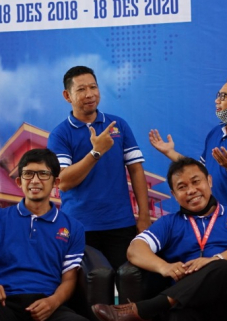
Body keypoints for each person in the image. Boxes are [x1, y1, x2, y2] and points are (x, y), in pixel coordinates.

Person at [92, 157, 227, 321]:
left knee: (222, 268)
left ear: (209, 181)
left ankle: (147, 308)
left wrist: (213, 261)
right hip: (188, 305)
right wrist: (164, 267)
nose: (191, 190)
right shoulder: (169, 223)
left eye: (196, 182)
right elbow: (134, 250)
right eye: (182, 187)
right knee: (177, 316)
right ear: (173, 194)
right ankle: (160, 306)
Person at [0, 149, 86, 321]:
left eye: (43, 174)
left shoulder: (73, 227)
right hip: (3, 304)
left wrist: (53, 302)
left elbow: (69, 280)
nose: (35, 180)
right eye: (28, 174)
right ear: (19, 181)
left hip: (46, 306)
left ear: (55, 182)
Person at [47, 66, 151, 270]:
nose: (89, 94)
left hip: (121, 224)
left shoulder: (118, 125)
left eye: (93, 87)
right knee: (89, 291)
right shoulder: (60, 134)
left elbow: (137, 171)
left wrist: (144, 217)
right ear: (67, 95)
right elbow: (64, 182)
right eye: (81, 90)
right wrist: (96, 153)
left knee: (129, 285)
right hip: (79, 227)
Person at [149, 75, 227, 228]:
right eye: (217, 96)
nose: (216, 101)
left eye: (223, 96)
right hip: (213, 222)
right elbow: (201, 171)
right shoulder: (215, 133)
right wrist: (170, 152)